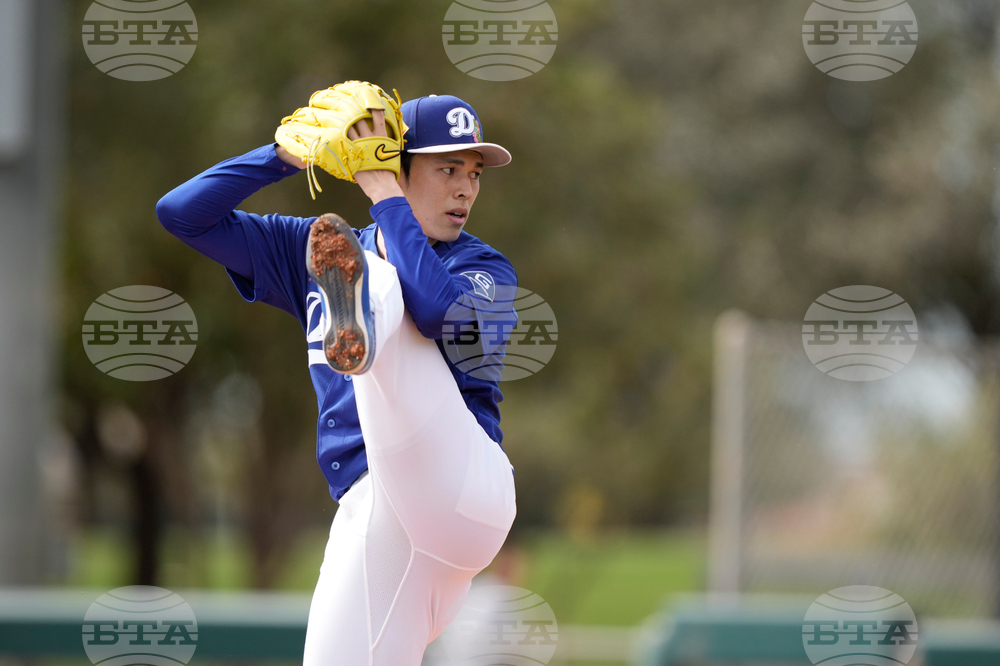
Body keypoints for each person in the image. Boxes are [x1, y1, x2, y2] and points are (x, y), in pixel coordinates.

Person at [156, 90, 518, 665]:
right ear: (397, 162)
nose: (466, 188)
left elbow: (437, 313)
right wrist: (283, 156)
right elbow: (182, 213)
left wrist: (382, 194)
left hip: (460, 482)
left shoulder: (485, 268)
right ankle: (363, 308)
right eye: (448, 167)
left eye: (474, 172)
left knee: (384, 284)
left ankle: (366, 306)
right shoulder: (316, 247)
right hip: (381, 520)